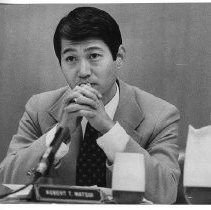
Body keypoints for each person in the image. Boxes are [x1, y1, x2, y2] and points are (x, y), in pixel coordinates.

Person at [0, 7, 180, 204]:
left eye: (93, 56)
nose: (83, 71)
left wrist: (109, 129)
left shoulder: (160, 115)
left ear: (118, 57)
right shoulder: (39, 109)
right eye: (70, 59)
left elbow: (166, 195)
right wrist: (61, 131)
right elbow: (5, 182)